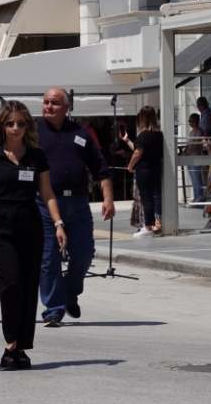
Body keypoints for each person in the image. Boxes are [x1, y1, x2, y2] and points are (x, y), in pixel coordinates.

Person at [0, 100, 67, 370]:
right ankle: (10, 342)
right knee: (10, 283)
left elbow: (47, 193)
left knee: (28, 285)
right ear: (2, 125)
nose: (15, 128)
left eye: (21, 123)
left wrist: (59, 223)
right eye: (10, 123)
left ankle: (21, 347)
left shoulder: (36, 156)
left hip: (29, 221)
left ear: (27, 125)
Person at [36, 87, 115, 327]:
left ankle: (70, 293)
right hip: (46, 204)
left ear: (67, 107)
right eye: (46, 102)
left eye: (54, 102)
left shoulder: (81, 132)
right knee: (49, 259)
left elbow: (100, 168)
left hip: (79, 203)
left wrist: (108, 198)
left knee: (84, 254)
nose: (49, 106)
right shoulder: (34, 133)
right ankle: (53, 309)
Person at [121, 106, 163, 238]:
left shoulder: (144, 134)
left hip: (144, 169)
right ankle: (154, 223)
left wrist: (130, 165)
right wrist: (127, 140)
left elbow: (137, 152)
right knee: (152, 197)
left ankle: (148, 227)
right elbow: (138, 148)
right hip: (155, 167)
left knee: (146, 198)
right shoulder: (158, 134)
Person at [185, 113, 205, 205]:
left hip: (196, 157)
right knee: (193, 179)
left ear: (197, 122)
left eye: (193, 121)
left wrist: (186, 153)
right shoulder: (191, 132)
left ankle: (199, 197)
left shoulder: (199, 132)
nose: (191, 123)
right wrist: (184, 152)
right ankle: (195, 197)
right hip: (189, 158)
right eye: (190, 121)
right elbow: (189, 145)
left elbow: (195, 146)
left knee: (197, 179)